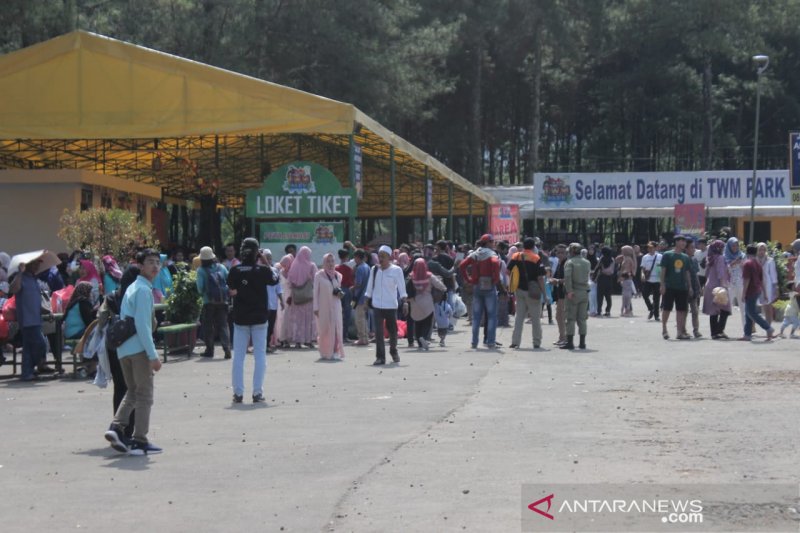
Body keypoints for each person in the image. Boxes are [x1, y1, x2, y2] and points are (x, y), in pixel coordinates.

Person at [103, 249, 163, 455]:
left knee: (132, 392)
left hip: (123, 349)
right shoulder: (144, 291)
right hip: (138, 350)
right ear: (140, 266)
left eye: (157, 262)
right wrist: (153, 355)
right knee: (145, 395)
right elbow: (143, 325)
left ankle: (116, 427)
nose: (155, 266)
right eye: (150, 262)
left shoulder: (131, 288)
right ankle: (140, 440)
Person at [227, 238, 279, 403]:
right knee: (260, 356)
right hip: (259, 318)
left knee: (238, 358)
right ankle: (257, 392)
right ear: (257, 252)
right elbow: (275, 278)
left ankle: (238, 393)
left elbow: (231, 288)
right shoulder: (262, 270)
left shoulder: (235, 270)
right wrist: (264, 261)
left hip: (240, 318)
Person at [9, 257, 54, 381]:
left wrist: (47, 311)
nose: (36, 266)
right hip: (27, 319)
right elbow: (13, 289)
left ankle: (27, 372)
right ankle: (32, 368)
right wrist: (20, 272)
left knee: (29, 348)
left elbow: (35, 301)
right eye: (34, 264)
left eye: (37, 264)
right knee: (40, 345)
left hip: (36, 319)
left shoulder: (35, 280)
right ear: (27, 265)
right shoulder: (21, 278)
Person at [364, 245, 408, 365]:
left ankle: (393, 351)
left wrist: (405, 302)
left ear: (389, 257)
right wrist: (366, 299)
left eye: (383, 256)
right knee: (378, 332)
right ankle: (380, 357)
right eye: (379, 256)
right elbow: (369, 286)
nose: (381, 258)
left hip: (391, 306)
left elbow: (402, 288)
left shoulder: (396, 270)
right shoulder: (374, 269)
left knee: (393, 331)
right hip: (377, 305)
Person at [458, 234, 502, 349]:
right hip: (489, 286)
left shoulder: (475, 254)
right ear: (488, 242)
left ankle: (474, 342)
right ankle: (491, 341)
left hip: (477, 286)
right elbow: (495, 264)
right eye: (492, 241)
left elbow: (462, 265)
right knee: (492, 316)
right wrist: (495, 280)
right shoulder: (492, 254)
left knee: (476, 316)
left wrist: (469, 279)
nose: (493, 244)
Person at [507, 237, 546, 349]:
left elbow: (508, 271)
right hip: (533, 291)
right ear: (534, 247)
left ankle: (515, 342)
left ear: (523, 246)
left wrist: (515, 281)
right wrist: (544, 294)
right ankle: (536, 342)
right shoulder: (536, 258)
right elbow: (540, 278)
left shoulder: (516, 256)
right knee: (535, 318)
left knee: (519, 317)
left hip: (519, 290)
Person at [195, 246, 231, 359]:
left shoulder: (201, 270)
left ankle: (209, 350)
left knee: (208, 327)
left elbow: (200, 288)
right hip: (223, 301)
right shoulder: (222, 267)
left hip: (208, 302)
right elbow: (229, 280)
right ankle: (227, 349)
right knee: (223, 325)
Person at [407, 258, 446, 351]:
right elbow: (440, 285)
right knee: (427, 323)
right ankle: (424, 337)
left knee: (418, 322)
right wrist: (444, 289)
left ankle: (420, 343)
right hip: (427, 302)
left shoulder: (411, 276)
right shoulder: (429, 276)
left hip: (414, 303)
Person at [659, 235, 692, 340]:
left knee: (681, 310)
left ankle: (679, 332)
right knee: (667, 308)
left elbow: (687, 273)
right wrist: (662, 284)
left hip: (682, 287)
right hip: (669, 286)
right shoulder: (667, 255)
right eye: (681, 241)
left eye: (684, 241)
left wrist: (690, 286)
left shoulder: (685, 257)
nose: (683, 243)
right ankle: (664, 329)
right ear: (676, 242)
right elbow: (663, 270)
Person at [740, 244, 775, 341]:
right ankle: (747, 334)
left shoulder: (747, 263)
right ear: (756, 252)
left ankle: (768, 328)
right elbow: (762, 279)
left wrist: (743, 293)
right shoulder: (757, 263)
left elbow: (746, 280)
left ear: (747, 253)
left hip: (751, 290)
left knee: (751, 312)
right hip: (757, 290)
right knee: (748, 313)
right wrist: (765, 293)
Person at [314, 253, 346, 360]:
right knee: (325, 329)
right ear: (324, 262)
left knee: (336, 328)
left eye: (332, 261)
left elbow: (338, 289)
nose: (330, 264)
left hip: (336, 305)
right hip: (323, 306)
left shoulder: (338, 275)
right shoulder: (319, 275)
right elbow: (315, 293)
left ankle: (335, 351)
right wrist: (315, 307)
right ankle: (325, 351)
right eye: (328, 261)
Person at [285, 246, 317, 348]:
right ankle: (308, 340)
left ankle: (298, 341)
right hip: (308, 297)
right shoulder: (312, 266)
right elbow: (316, 280)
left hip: (297, 298)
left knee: (298, 320)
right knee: (308, 320)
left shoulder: (294, 266)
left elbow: (289, 282)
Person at [563, 242, 591, 350]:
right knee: (582, 319)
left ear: (571, 251)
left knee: (570, 318)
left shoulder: (569, 262)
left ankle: (570, 343)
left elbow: (568, 277)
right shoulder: (587, 262)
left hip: (573, 292)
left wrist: (569, 291)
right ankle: (582, 343)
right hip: (584, 292)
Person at [702, 240, 732, 339]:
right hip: (719, 286)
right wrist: (724, 286)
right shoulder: (720, 258)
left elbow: (706, 273)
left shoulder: (710, 258)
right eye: (722, 247)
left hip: (709, 286)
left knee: (713, 311)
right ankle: (719, 330)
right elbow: (721, 272)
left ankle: (714, 333)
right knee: (726, 309)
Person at [261, 250, 284, 353]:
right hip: (262, 304)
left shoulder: (275, 271)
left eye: (270, 258)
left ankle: (267, 345)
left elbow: (278, 288)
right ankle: (261, 345)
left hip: (273, 304)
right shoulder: (259, 270)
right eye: (266, 258)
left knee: (270, 325)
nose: (269, 260)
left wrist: (282, 300)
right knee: (262, 326)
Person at [351, 250, 371, 346]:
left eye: (355, 257)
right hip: (366, 297)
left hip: (358, 297)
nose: (354, 260)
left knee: (359, 318)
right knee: (364, 318)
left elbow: (358, 283)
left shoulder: (359, 268)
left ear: (358, 257)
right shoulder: (367, 267)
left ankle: (362, 338)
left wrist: (352, 288)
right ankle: (365, 337)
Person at [724, 237, 746, 324]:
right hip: (729, 284)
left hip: (741, 283)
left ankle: (746, 328)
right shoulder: (725, 256)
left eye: (736, 245)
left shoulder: (742, 255)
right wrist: (733, 263)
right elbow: (724, 269)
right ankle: (721, 329)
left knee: (743, 307)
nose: (735, 247)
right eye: (733, 246)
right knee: (725, 306)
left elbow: (746, 269)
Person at [756, 242, 779, 325]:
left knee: (768, 306)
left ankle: (769, 326)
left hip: (767, 285)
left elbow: (773, 274)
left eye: (763, 250)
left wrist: (775, 286)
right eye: (760, 250)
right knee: (754, 306)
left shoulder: (769, 260)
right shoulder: (754, 260)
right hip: (756, 284)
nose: (761, 252)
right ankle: (751, 328)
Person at [335, 249, 354, 344]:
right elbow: (352, 281)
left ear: (339, 256)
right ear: (347, 257)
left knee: (337, 313)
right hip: (347, 290)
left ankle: (336, 335)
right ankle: (344, 336)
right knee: (347, 314)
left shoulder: (336, 268)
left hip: (337, 291)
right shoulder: (350, 268)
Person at [640, 242, 662, 321]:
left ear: (655, 248)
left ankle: (656, 315)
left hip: (657, 280)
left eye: (652, 247)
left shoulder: (660, 256)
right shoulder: (645, 257)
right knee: (645, 294)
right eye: (648, 247)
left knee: (656, 298)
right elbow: (642, 268)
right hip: (648, 279)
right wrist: (642, 275)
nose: (650, 249)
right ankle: (651, 308)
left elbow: (662, 267)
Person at [685, 239, 702, 338]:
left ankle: (696, 330)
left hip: (694, 287)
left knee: (695, 311)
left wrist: (699, 287)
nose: (693, 249)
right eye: (691, 247)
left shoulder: (694, 260)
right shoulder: (683, 259)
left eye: (694, 247)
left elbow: (696, 274)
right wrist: (689, 287)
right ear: (686, 248)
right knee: (684, 311)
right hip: (685, 287)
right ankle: (683, 329)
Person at [276, 254, 294, 349]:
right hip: (282, 297)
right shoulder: (279, 272)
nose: (285, 266)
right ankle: (281, 338)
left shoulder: (293, 273)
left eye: (286, 264)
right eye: (283, 264)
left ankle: (288, 338)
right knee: (281, 318)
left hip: (290, 298)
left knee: (288, 318)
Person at [594, 247, 615, 317]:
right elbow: (612, 270)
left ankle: (599, 311)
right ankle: (608, 311)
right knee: (608, 297)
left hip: (601, 278)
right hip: (609, 279)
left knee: (600, 296)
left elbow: (597, 268)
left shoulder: (602, 258)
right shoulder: (612, 259)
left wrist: (594, 275)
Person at [618, 245, 637, 317]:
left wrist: (621, 276)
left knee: (626, 295)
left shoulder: (627, 259)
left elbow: (625, 269)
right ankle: (626, 310)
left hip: (626, 278)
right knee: (626, 295)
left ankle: (627, 310)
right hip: (627, 277)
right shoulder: (627, 258)